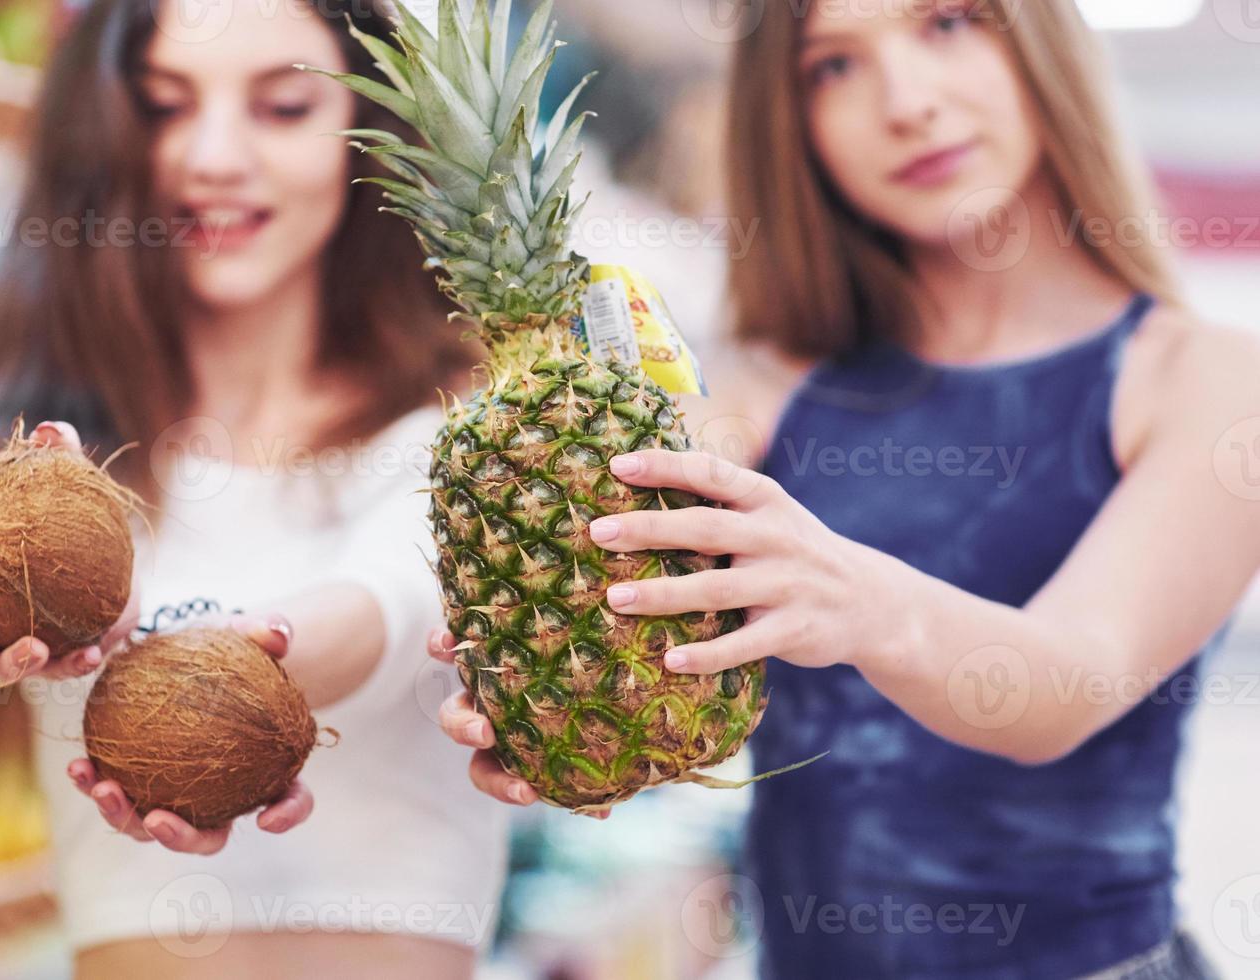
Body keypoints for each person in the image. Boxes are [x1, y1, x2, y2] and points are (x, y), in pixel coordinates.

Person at [431, 1, 1260, 977]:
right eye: (831, 66)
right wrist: (542, 695)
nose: (904, 102)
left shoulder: (1204, 378)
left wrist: (852, 597)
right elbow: (617, 583)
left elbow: (1063, 681)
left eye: (946, 24)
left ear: (1037, 37)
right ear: (787, 117)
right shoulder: (761, 384)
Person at [0, 0, 505, 976]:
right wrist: (74, 614)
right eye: (166, 106)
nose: (214, 157)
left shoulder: (470, 421)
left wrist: (225, 659)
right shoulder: (31, 459)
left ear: (367, 140)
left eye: (284, 107)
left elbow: (394, 598)